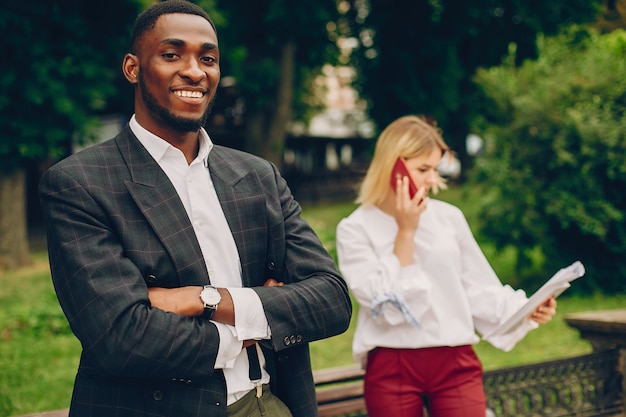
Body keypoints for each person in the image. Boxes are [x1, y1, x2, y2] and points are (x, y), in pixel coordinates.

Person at [38, 2, 352, 417]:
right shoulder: (80, 183)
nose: (195, 71)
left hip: (270, 403)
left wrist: (204, 300)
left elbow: (331, 300)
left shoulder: (258, 176)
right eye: (172, 55)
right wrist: (260, 317)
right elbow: (123, 339)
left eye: (208, 58)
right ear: (133, 68)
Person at [335, 115, 557, 417]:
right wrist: (406, 232)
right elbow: (385, 307)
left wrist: (526, 309)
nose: (431, 179)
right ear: (393, 166)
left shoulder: (448, 217)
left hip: (455, 361)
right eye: (422, 169)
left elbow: (477, 287)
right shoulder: (355, 228)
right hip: (392, 365)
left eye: (434, 169)